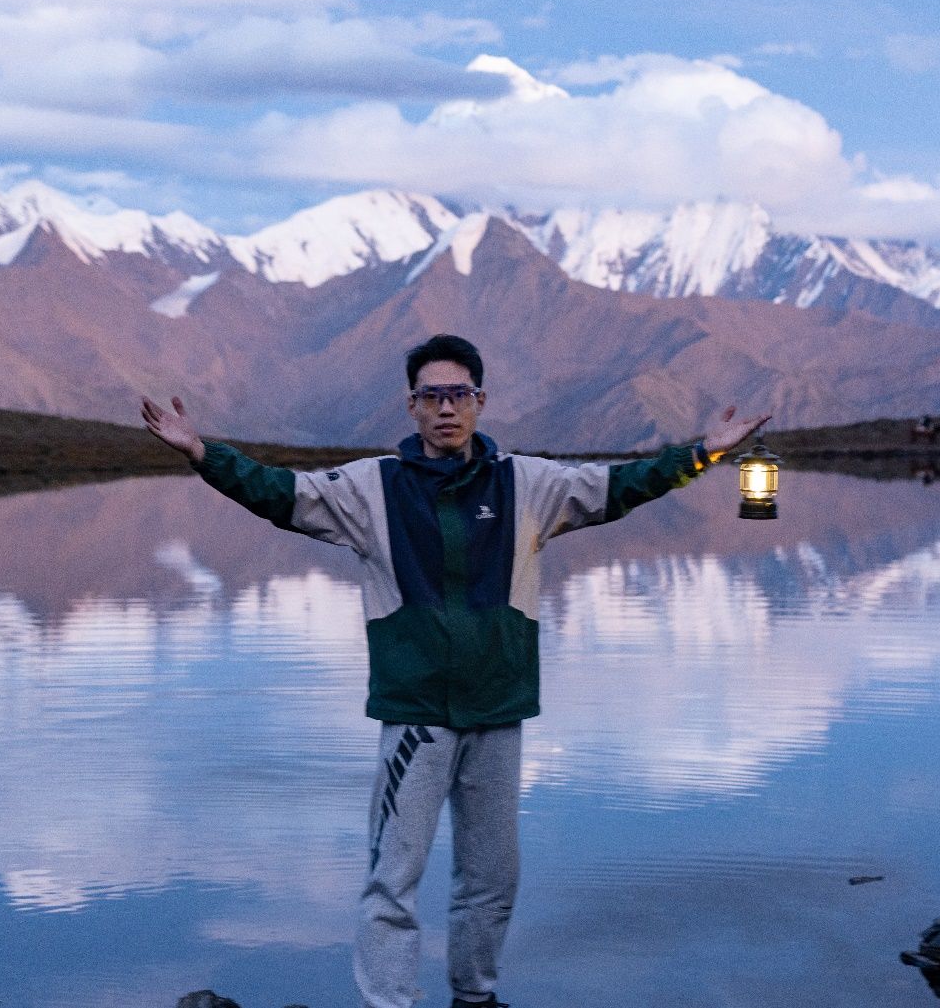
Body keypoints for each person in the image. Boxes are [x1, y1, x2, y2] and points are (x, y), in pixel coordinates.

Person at [141, 334, 769, 1008]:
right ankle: (389, 1000)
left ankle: (476, 995)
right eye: (432, 396)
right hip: (417, 715)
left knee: (493, 877)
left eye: (459, 395)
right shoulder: (371, 487)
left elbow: (621, 485)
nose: (447, 408)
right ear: (412, 406)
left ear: (480, 402)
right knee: (394, 877)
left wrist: (704, 452)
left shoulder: (529, 484)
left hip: (499, 709)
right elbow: (278, 492)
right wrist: (202, 453)